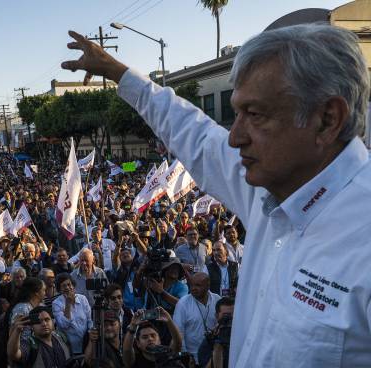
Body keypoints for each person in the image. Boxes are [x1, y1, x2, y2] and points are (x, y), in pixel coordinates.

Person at [61, 23, 371, 366]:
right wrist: (118, 72)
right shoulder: (268, 188)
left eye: (255, 115)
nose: (235, 137)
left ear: (328, 119)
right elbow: (195, 134)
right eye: (236, 113)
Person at [173, 273, 221, 364]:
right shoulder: (183, 304)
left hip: (214, 356)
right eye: (191, 285)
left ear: (207, 286)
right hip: (193, 358)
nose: (193, 288)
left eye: (198, 285)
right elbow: (178, 332)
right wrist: (185, 356)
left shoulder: (217, 300)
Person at [7, 307, 71, 367]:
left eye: (47, 319)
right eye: (39, 322)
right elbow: (13, 354)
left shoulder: (61, 337)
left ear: (52, 321)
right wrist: (17, 331)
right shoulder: (29, 344)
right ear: (31, 326)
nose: (44, 324)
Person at [51, 273, 91, 355]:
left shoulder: (82, 299)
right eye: (63, 286)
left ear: (73, 285)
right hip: (70, 348)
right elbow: (64, 325)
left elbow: (90, 320)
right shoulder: (56, 304)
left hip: (87, 344)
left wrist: (90, 336)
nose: (67, 288)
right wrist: (68, 304)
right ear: (59, 289)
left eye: (69, 284)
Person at [197, 297, 234, 368]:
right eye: (226, 315)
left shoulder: (244, 336)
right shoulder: (210, 341)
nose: (230, 319)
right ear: (217, 316)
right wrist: (218, 349)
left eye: (233, 315)